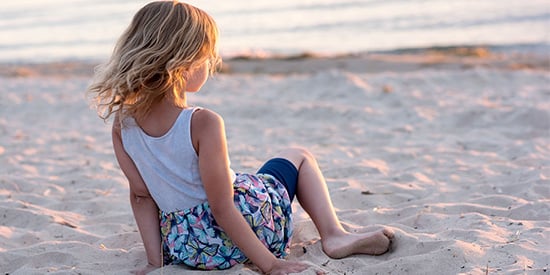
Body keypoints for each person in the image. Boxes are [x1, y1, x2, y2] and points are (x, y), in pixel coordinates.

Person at [88, 1, 394, 274]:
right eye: (207, 58)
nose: (210, 64)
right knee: (298, 157)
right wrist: (271, 265)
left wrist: (156, 263)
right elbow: (222, 206)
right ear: (184, 61)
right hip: (243, 233)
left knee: (249, 179)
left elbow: (141, 196)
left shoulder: (122, 124)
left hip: (187, 247)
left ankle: (331, 233)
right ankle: (334, 235)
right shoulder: (202, 122)